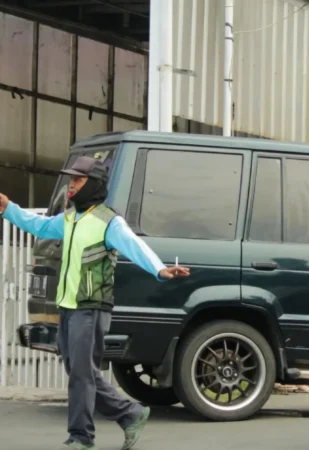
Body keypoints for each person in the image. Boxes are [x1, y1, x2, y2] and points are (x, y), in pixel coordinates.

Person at [0, 156, 190, 450]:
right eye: (71, 180)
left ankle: (81, 437)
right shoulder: (69, 219)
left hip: (91, 307)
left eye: (78, 180)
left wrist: (160, 269)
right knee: (80, 370)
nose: (71, 186)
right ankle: (130, 414)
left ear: (95, 184)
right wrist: (9, 210)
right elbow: (39, 226)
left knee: (80, 372)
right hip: (69, 306)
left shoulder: (108, 221)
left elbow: (134, 245)